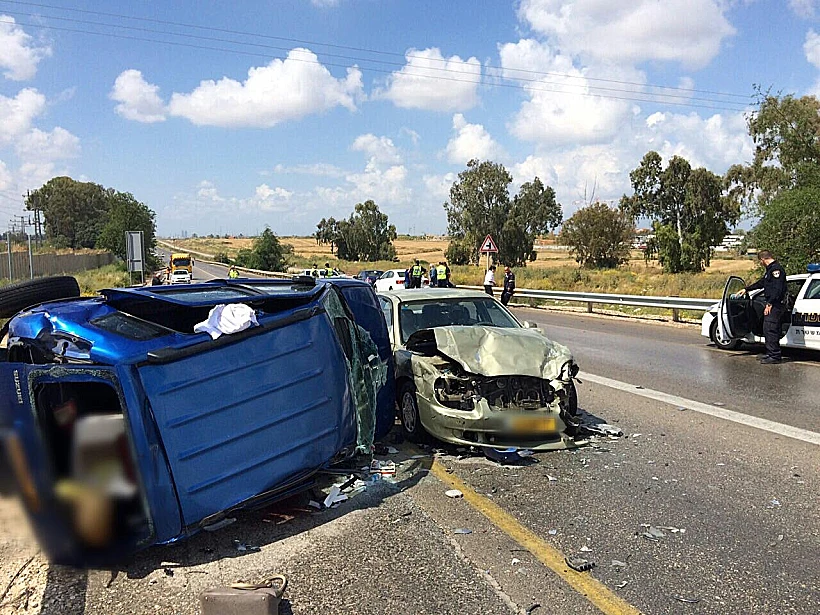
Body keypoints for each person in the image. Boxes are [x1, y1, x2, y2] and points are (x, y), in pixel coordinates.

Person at [736, 250, 787, 364]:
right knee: (768, 329)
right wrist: (747, 289)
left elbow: (777, 289)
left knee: (770, 329)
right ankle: (771, 353)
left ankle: (774, 356)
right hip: (774, 303)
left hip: (775, 304)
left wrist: (770, 303)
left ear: (763, 260)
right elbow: (762, 283)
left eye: (760, 261)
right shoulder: (770, 270)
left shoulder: (776, 270)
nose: (761, 263)